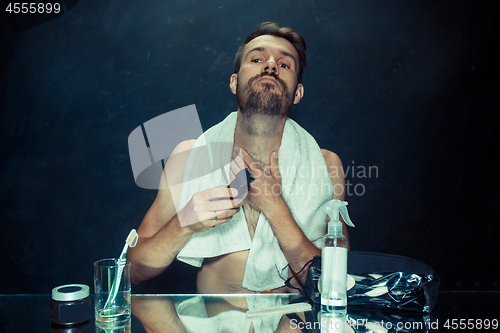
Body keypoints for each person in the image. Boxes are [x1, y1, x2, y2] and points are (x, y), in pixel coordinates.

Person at [127, 22, 349, 294]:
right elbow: (132, 270)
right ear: (234, 82)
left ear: (298, 92)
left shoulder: (327, 165)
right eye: (257, 59)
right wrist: (184, 223)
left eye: (284, 64)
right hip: (216, 320)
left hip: (294, 320)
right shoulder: (189, 157)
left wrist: (275, 208)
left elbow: (338, 286)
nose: (270, 66)